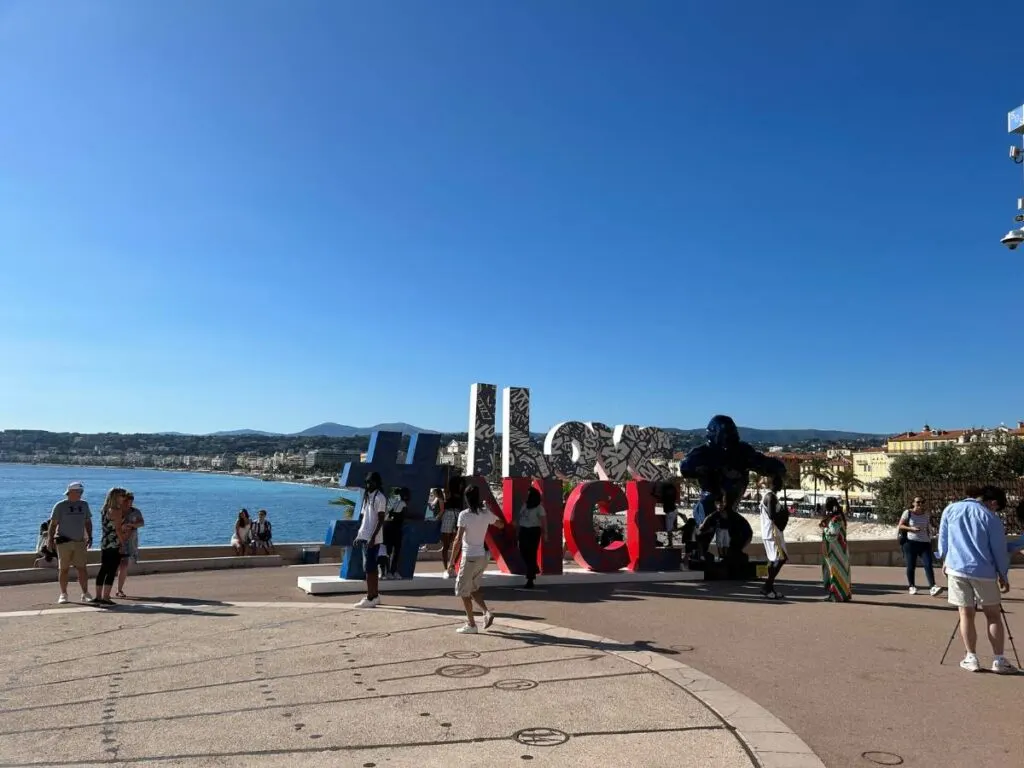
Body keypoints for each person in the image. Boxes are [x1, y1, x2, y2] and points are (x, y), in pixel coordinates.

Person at [937, 486, 1015, 674]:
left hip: (956, 568)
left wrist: (944, 558)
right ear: (993, 503)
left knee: (965, 614)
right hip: (984, 571)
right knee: (993, 615)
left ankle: (971, 657)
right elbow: (998, 549)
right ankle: (998, 659)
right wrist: (1003, 574)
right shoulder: (990, 518)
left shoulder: (951, 509)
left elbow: (943, 539)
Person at [448, 484, 504, 634]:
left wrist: (451, 562)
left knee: (463, 591)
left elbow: (458, 540)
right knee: (473, 588)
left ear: (466, 498)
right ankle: (486, 612)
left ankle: (471, 624)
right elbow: (500, 525)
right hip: (482, 556)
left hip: (469, 556)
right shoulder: (485, 513)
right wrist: (489, 511)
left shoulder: (464, 515)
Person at [47, 481, 94, 605]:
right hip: (64, 542)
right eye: (79, 491)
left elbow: (88, 522)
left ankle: (85, 593)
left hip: (79, 542)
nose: (81, 494)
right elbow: (53, 524)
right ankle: (63, 594)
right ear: (71, 492)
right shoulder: (60, 506)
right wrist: (50, 540)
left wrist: (90, 536)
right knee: (64, 569)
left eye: (81, 492)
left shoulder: (84, 505)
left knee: (82, 568)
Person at [353, 471, 388, 608]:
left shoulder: (380, 498)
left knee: (369, 568)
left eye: (371, 482)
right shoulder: (367, 497)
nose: (368, 484)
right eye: (367, 482)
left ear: (377, 483)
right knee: (369, 568)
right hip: (365, 537)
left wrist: (373, 538)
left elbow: (380, 520)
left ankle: (371, 596)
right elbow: (365, 519)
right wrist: (359, 535)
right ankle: (374, 595)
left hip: (372, 539)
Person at [92, 488, 128, 606]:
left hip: (105, 542)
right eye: (122, 495)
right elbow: (117, 529)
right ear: (116, 497)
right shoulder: (116, 510)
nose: (124, 498)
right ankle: (106, 597)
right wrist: (123, 543)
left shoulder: (105, 509)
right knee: (111, 570)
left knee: (103, 569)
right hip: (114, 542)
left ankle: (98, 596)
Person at [899, 496, 941, 596]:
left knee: (928, 564)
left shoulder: (926, 514)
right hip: (910, 542)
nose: (920, 504)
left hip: (925, 543)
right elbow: (900, 525)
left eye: (922, 502)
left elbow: (927, 528)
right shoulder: (908, 513)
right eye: (918, 502)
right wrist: (911, 528)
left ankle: (933, 587)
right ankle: (912, 586)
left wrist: (931, 538)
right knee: (911, 565)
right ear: (913, 503)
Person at [758, 477, 788, 599]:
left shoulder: (770, 496)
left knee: (774, 560)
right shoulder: (770, 497)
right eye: (781, 482)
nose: (782, 484)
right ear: (775, 483)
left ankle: (770, 588)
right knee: (781, 559)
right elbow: (772, 515)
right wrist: (784, 513)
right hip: (772, 533)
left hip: (772, 533)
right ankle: (767, 587)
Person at [820, 497, 851, 602]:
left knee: (834, 573)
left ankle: (835, 595)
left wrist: (824, 528)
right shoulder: (840, 517)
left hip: (834, 551)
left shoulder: (835, 519)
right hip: (841, 550)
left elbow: (832, 535)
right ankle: (843, 595)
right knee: (842, 573)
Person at [515, 487, 547, 588]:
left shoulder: (539, 507)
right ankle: (533, 568)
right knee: (523, 551)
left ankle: (530, 578)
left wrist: (545, 533)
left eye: (528, 494)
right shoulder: (525, 505)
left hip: (533, 531)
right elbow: (520, 516)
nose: (527, 495)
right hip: (523, 530)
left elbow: (543, 521)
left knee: (531, 553)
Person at [116, 492, 145, 599]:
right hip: (116, 542)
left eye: (130, 502)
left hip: (130, 543)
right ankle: (105, 590)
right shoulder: (116, 511)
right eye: (126, 502)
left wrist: (132, 525)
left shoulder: (135, 512)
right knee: (113, 566)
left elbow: (142, 523)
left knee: (123, 566)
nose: (129, 504)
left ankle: (119, 589)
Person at [382, 487, 409, 580]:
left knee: (388, 551)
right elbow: (404, 516)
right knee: (396, 551)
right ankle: (393, 571)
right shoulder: (403, 503)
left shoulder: (396, 503)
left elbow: (390, 514)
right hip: (395, 528)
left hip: (388, 527)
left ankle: (388, 572)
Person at [440, 480, 462, 576]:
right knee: (450, 544)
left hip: (453, 513)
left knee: (450, 544)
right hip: (455, 513)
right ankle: (449, 567)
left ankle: (449, 567)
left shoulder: (452, 491)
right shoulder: (454, 491)